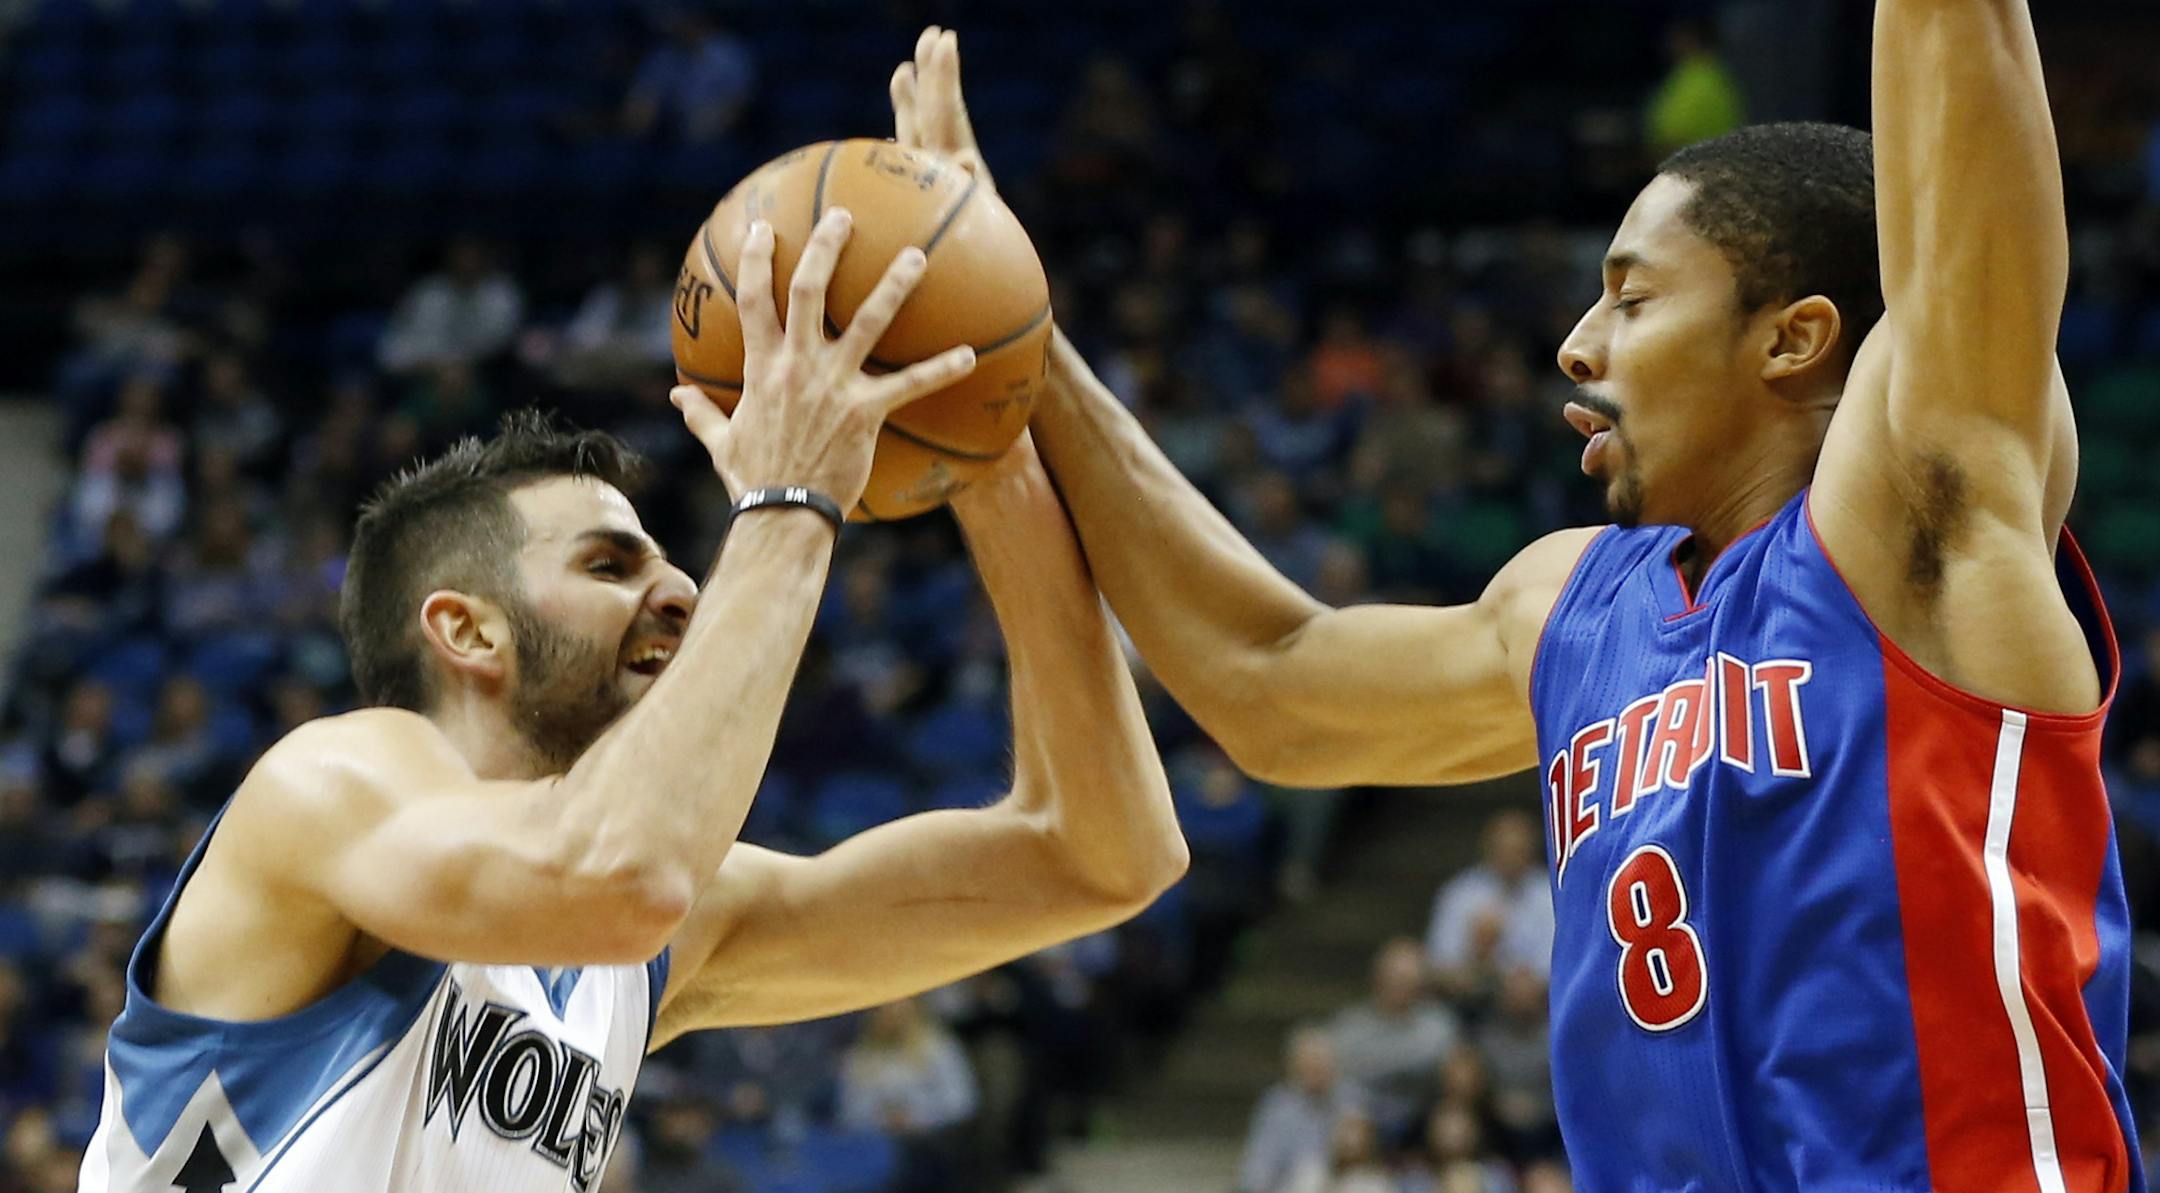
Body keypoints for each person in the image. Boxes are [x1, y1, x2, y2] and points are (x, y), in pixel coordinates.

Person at [890, 7, 2138, 1187]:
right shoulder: (1572, 607)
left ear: (1795, 338)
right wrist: (1020, 328)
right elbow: (1271, 683)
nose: (1577, 343)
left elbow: (1952, 76)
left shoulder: (1927, 518)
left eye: (1634, 296)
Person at [75, 209, 1187, 1190]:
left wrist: (993, 464)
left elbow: (1102, 856)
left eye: (668, 559)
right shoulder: (328, 788)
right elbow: (622, 873)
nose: (684, 586)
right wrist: (791, 500)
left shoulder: (641, 937)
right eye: (612, 565)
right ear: (466, 628)